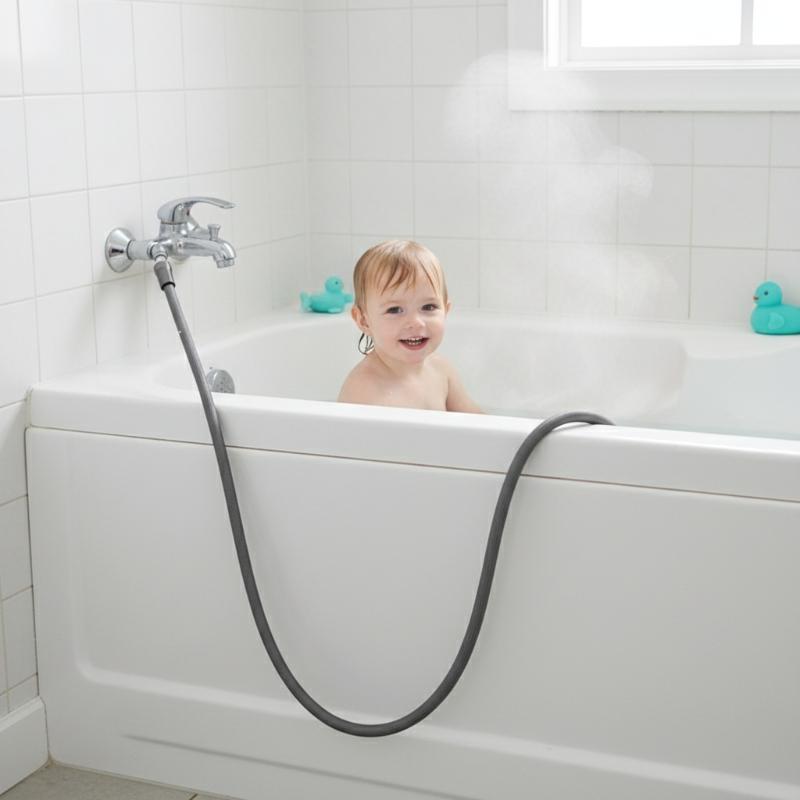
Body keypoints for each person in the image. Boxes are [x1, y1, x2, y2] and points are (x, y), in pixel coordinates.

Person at [338, 240, 482, 413]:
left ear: (446, 310)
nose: (416, 322)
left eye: (428, 307)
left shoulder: (440, 370)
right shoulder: (363, 391)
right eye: (394, 310)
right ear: (363, 321)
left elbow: (479, 421)